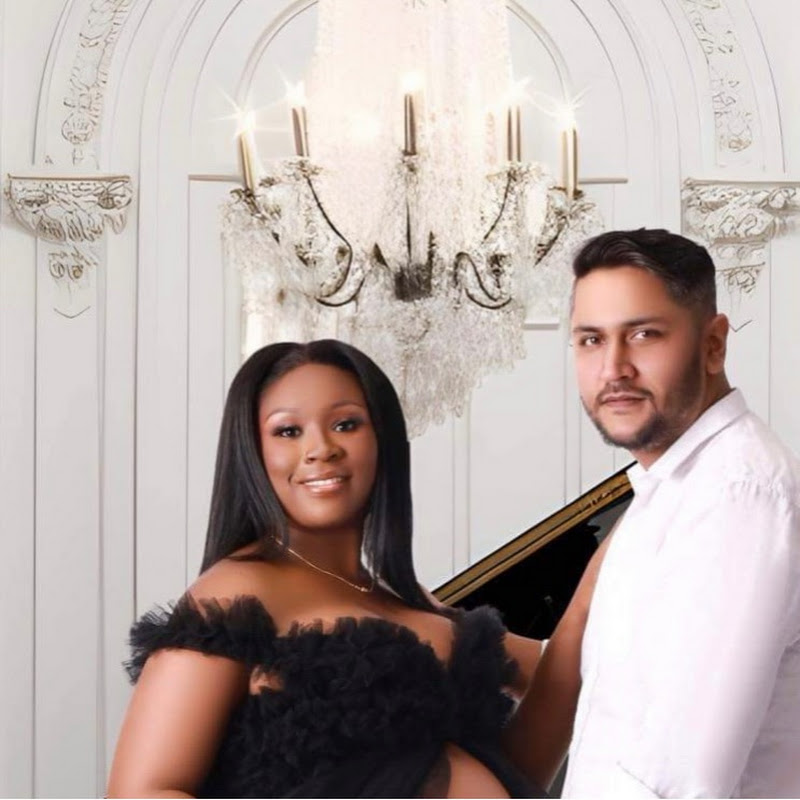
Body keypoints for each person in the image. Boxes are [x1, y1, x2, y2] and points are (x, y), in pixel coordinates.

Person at [107, 339, 599, 798]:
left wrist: (598, 578)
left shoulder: (411, 602)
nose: (321, 448)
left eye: (346, 424)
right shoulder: (233, 595)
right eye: (288, 431)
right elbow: (141, 792)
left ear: (383, 438)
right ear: (253, 453)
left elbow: (561, 699)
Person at [546, 228, 799, 797]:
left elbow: (679, 783)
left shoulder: (739, 496)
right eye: (591, 340)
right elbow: (618, 689)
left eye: (643, 335)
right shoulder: (679, 487)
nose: (613, 369)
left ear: (713, 344)